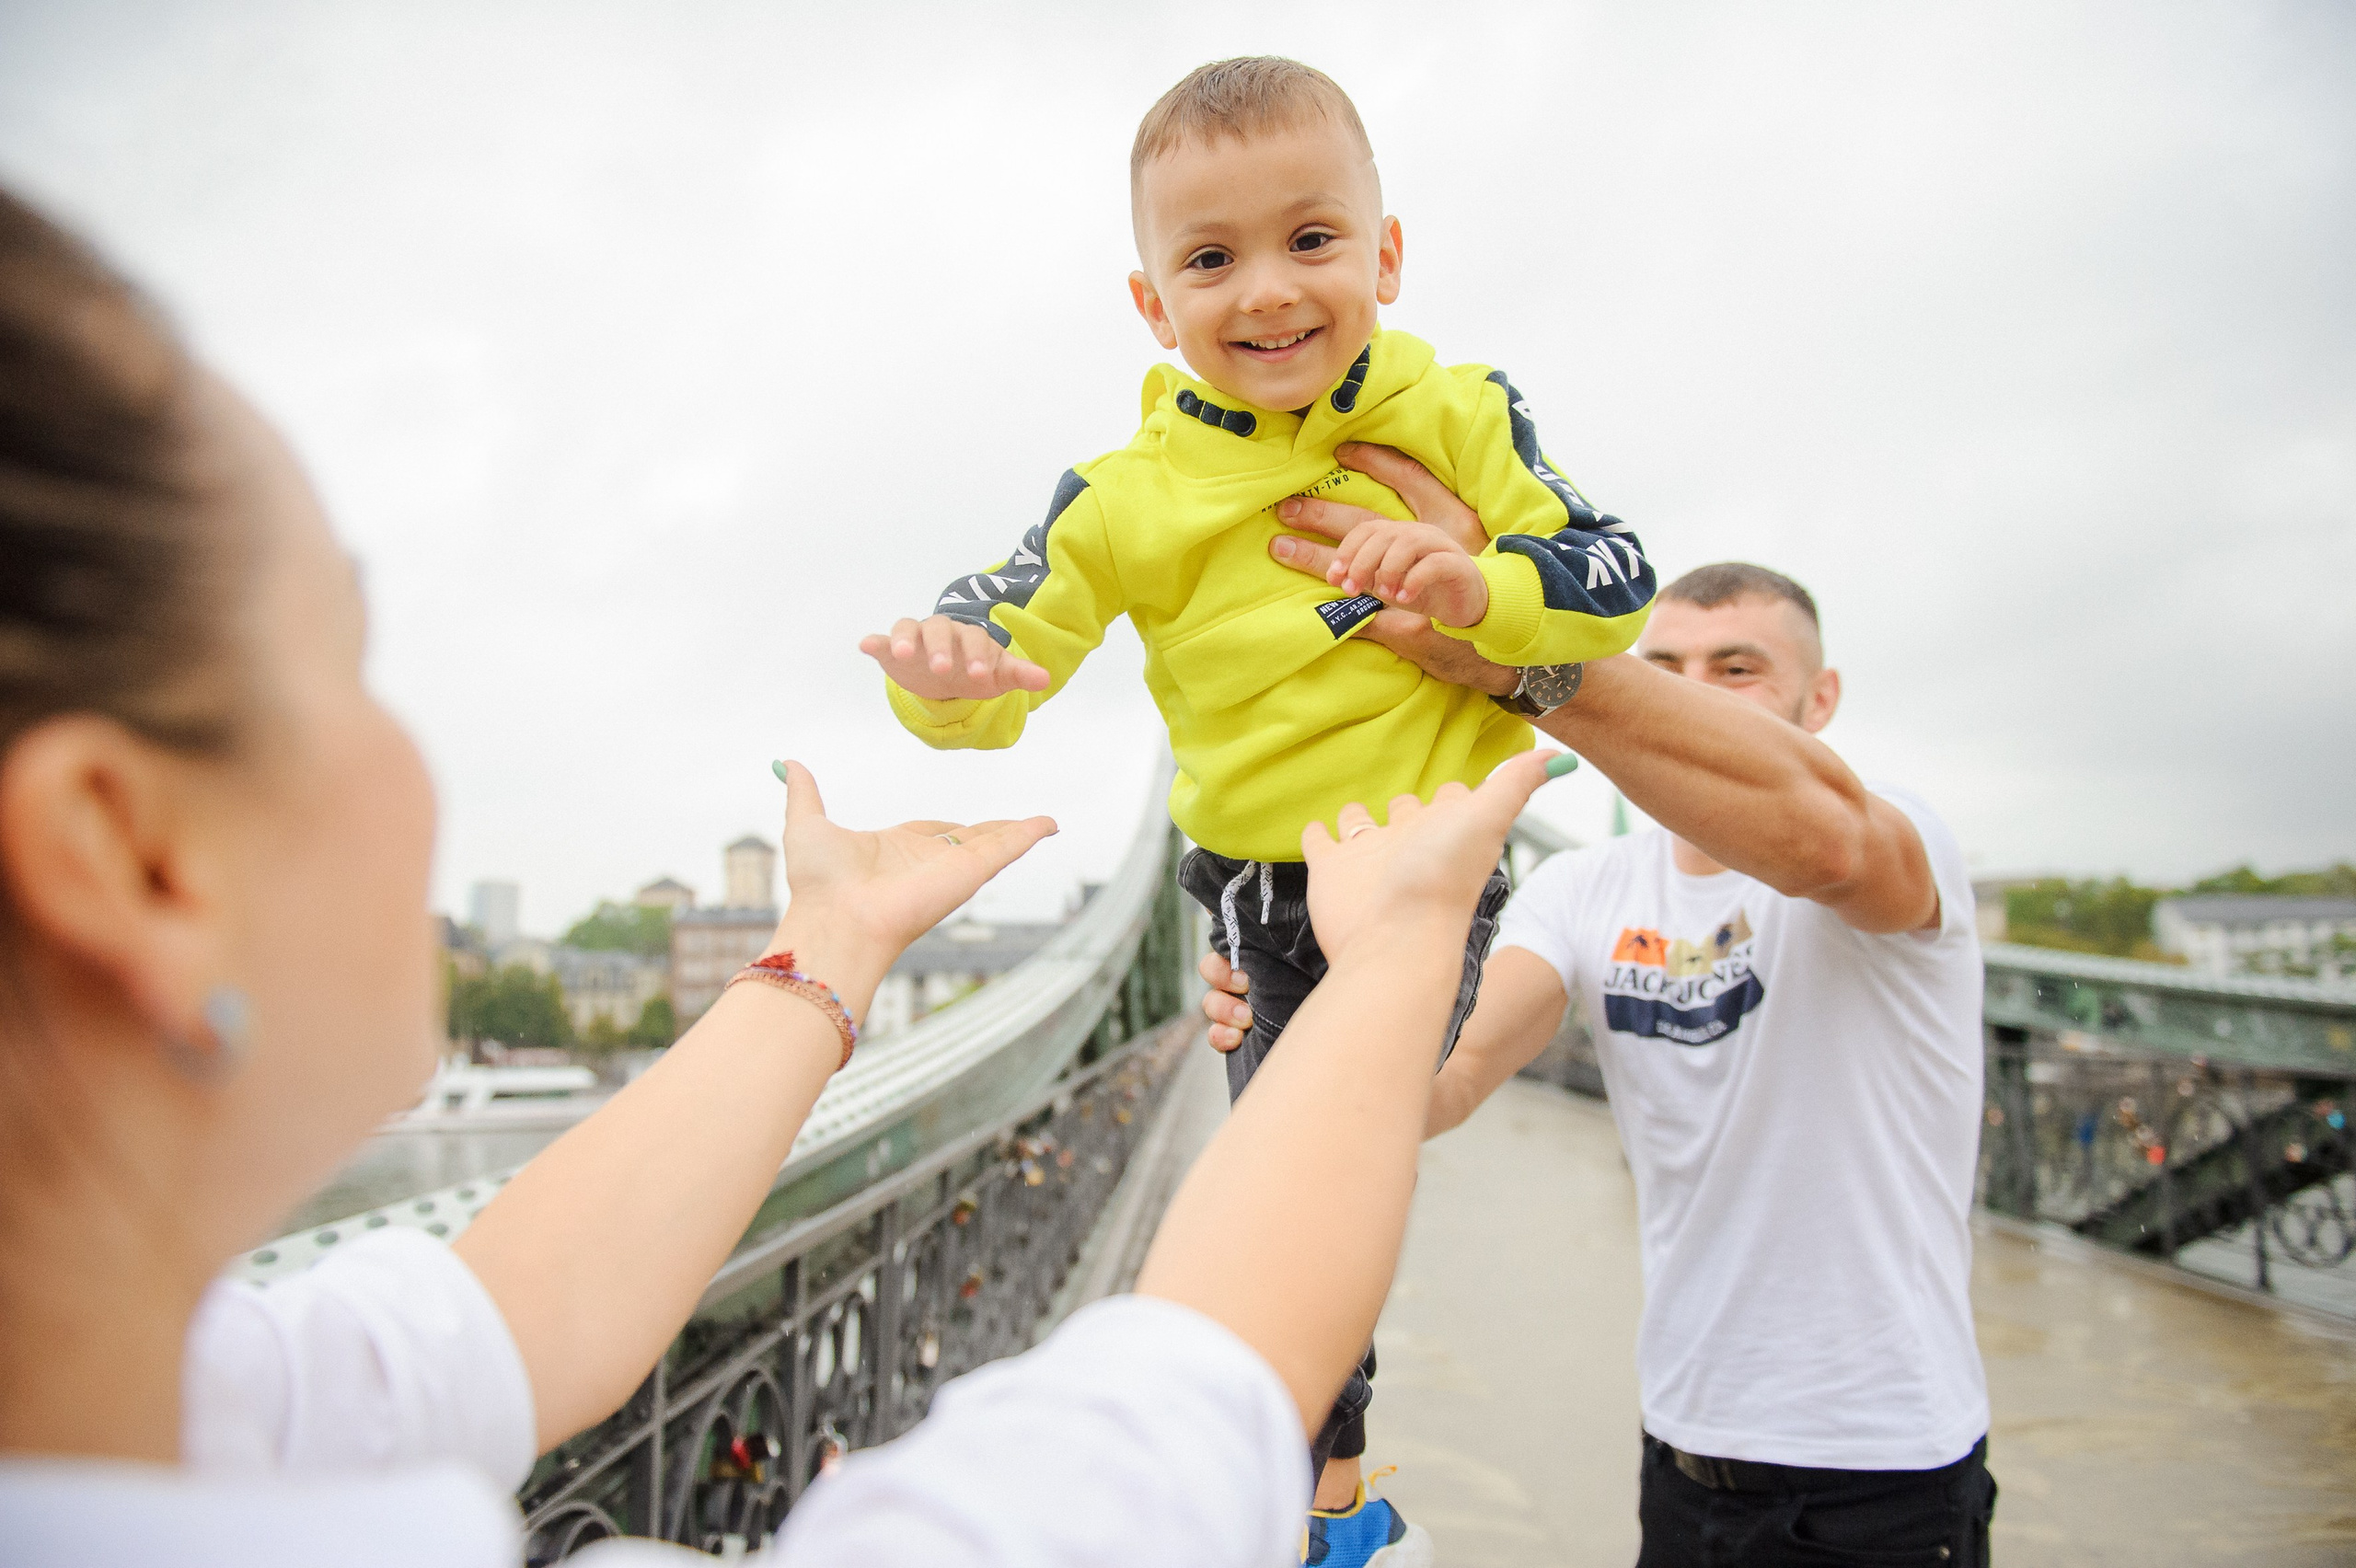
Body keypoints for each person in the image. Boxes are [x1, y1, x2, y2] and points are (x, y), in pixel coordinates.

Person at [0, 183, 1566, 1567]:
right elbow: (1161, 1428)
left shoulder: (193, 1409)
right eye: (350, 662)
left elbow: (504, 1314)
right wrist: (1392, 953)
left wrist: (829, 943)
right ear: (131, 856)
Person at [858, 55, 1656, 1541]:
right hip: (1253, 892)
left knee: (1323, 1167)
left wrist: (1480, 582)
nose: (1269, 290)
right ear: (1153, 303)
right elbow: (1003, 638)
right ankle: (1326, 1510)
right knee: (1278, 1205)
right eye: (1212, 259)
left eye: (1312, 239)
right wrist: (945, 677)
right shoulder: (1120, 494)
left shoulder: (1463, 413)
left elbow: (1617, 579)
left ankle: (1311, 1507)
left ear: (1387, 256)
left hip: (1424, 867)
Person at [1205, 444, 2001, 1564]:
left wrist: (1516, 647)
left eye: (1736, 670)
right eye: (1661, 666)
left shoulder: (1900, 841)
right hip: (1681, 1449)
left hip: (1886, 1468)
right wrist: (1303, 1014)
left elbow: (1823, 842)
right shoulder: (1583, 888)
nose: (1691, 692)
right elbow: (1441, 1085)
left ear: (1817, 700)